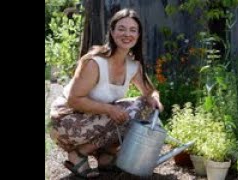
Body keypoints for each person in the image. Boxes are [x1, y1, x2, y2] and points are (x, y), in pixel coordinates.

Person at [49, 8, 163, 178]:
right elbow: (74, 100)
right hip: (66, 121)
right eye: (121, 29)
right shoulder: (95, 62)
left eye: (133, 30)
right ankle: (79, 154)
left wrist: (155, 101)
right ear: (112, 31)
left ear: (138, 35)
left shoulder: (133, 65)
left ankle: (105, 156)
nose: (127, 34)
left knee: (144, 106)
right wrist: (110, 110)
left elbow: (150, 92)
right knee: (129, 111)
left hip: (93, 120)